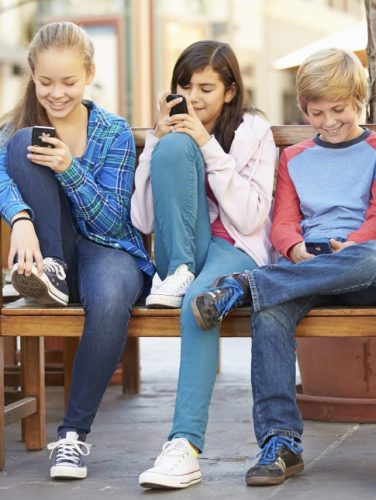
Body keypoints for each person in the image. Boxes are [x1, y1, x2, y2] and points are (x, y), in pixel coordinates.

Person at [191, 47, 376, 486]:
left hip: (362, 261)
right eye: (316, 112)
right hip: (306, 263)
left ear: (360, 102)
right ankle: (281, 443)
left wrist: (349, 244)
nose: (329, 121)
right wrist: (293, 250)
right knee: (271, 310)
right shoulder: (295, 158)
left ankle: (245, 284)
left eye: (339, 110)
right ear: (303, 109)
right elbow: (284, 221)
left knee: (368, 258)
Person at [0, 21, 153, 479]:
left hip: (112, 250)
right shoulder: (19, 127)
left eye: (68, 82)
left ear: (88, 74)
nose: (57, 93)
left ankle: (72, 438)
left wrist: (69, 168)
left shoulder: (113, 133)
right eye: (46, 82)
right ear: (32, 76)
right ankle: (55, 273)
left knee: (108, 301)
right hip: (54, 255)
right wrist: (21, 220)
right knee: (24, 144)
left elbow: (111, 221)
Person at [131, 40, 277, 489]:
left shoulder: (255, 132)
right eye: (185, 86)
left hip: (234, 248)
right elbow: (143, 218)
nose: (193, 98)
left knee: (200, 302)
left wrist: (207, 145)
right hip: (181, 252)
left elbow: (251, 217)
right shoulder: (169, 134)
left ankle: (184, 447)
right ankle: (178, 273)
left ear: (231, 91)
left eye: (207, 88)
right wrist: (157, 140)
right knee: (174, 149)